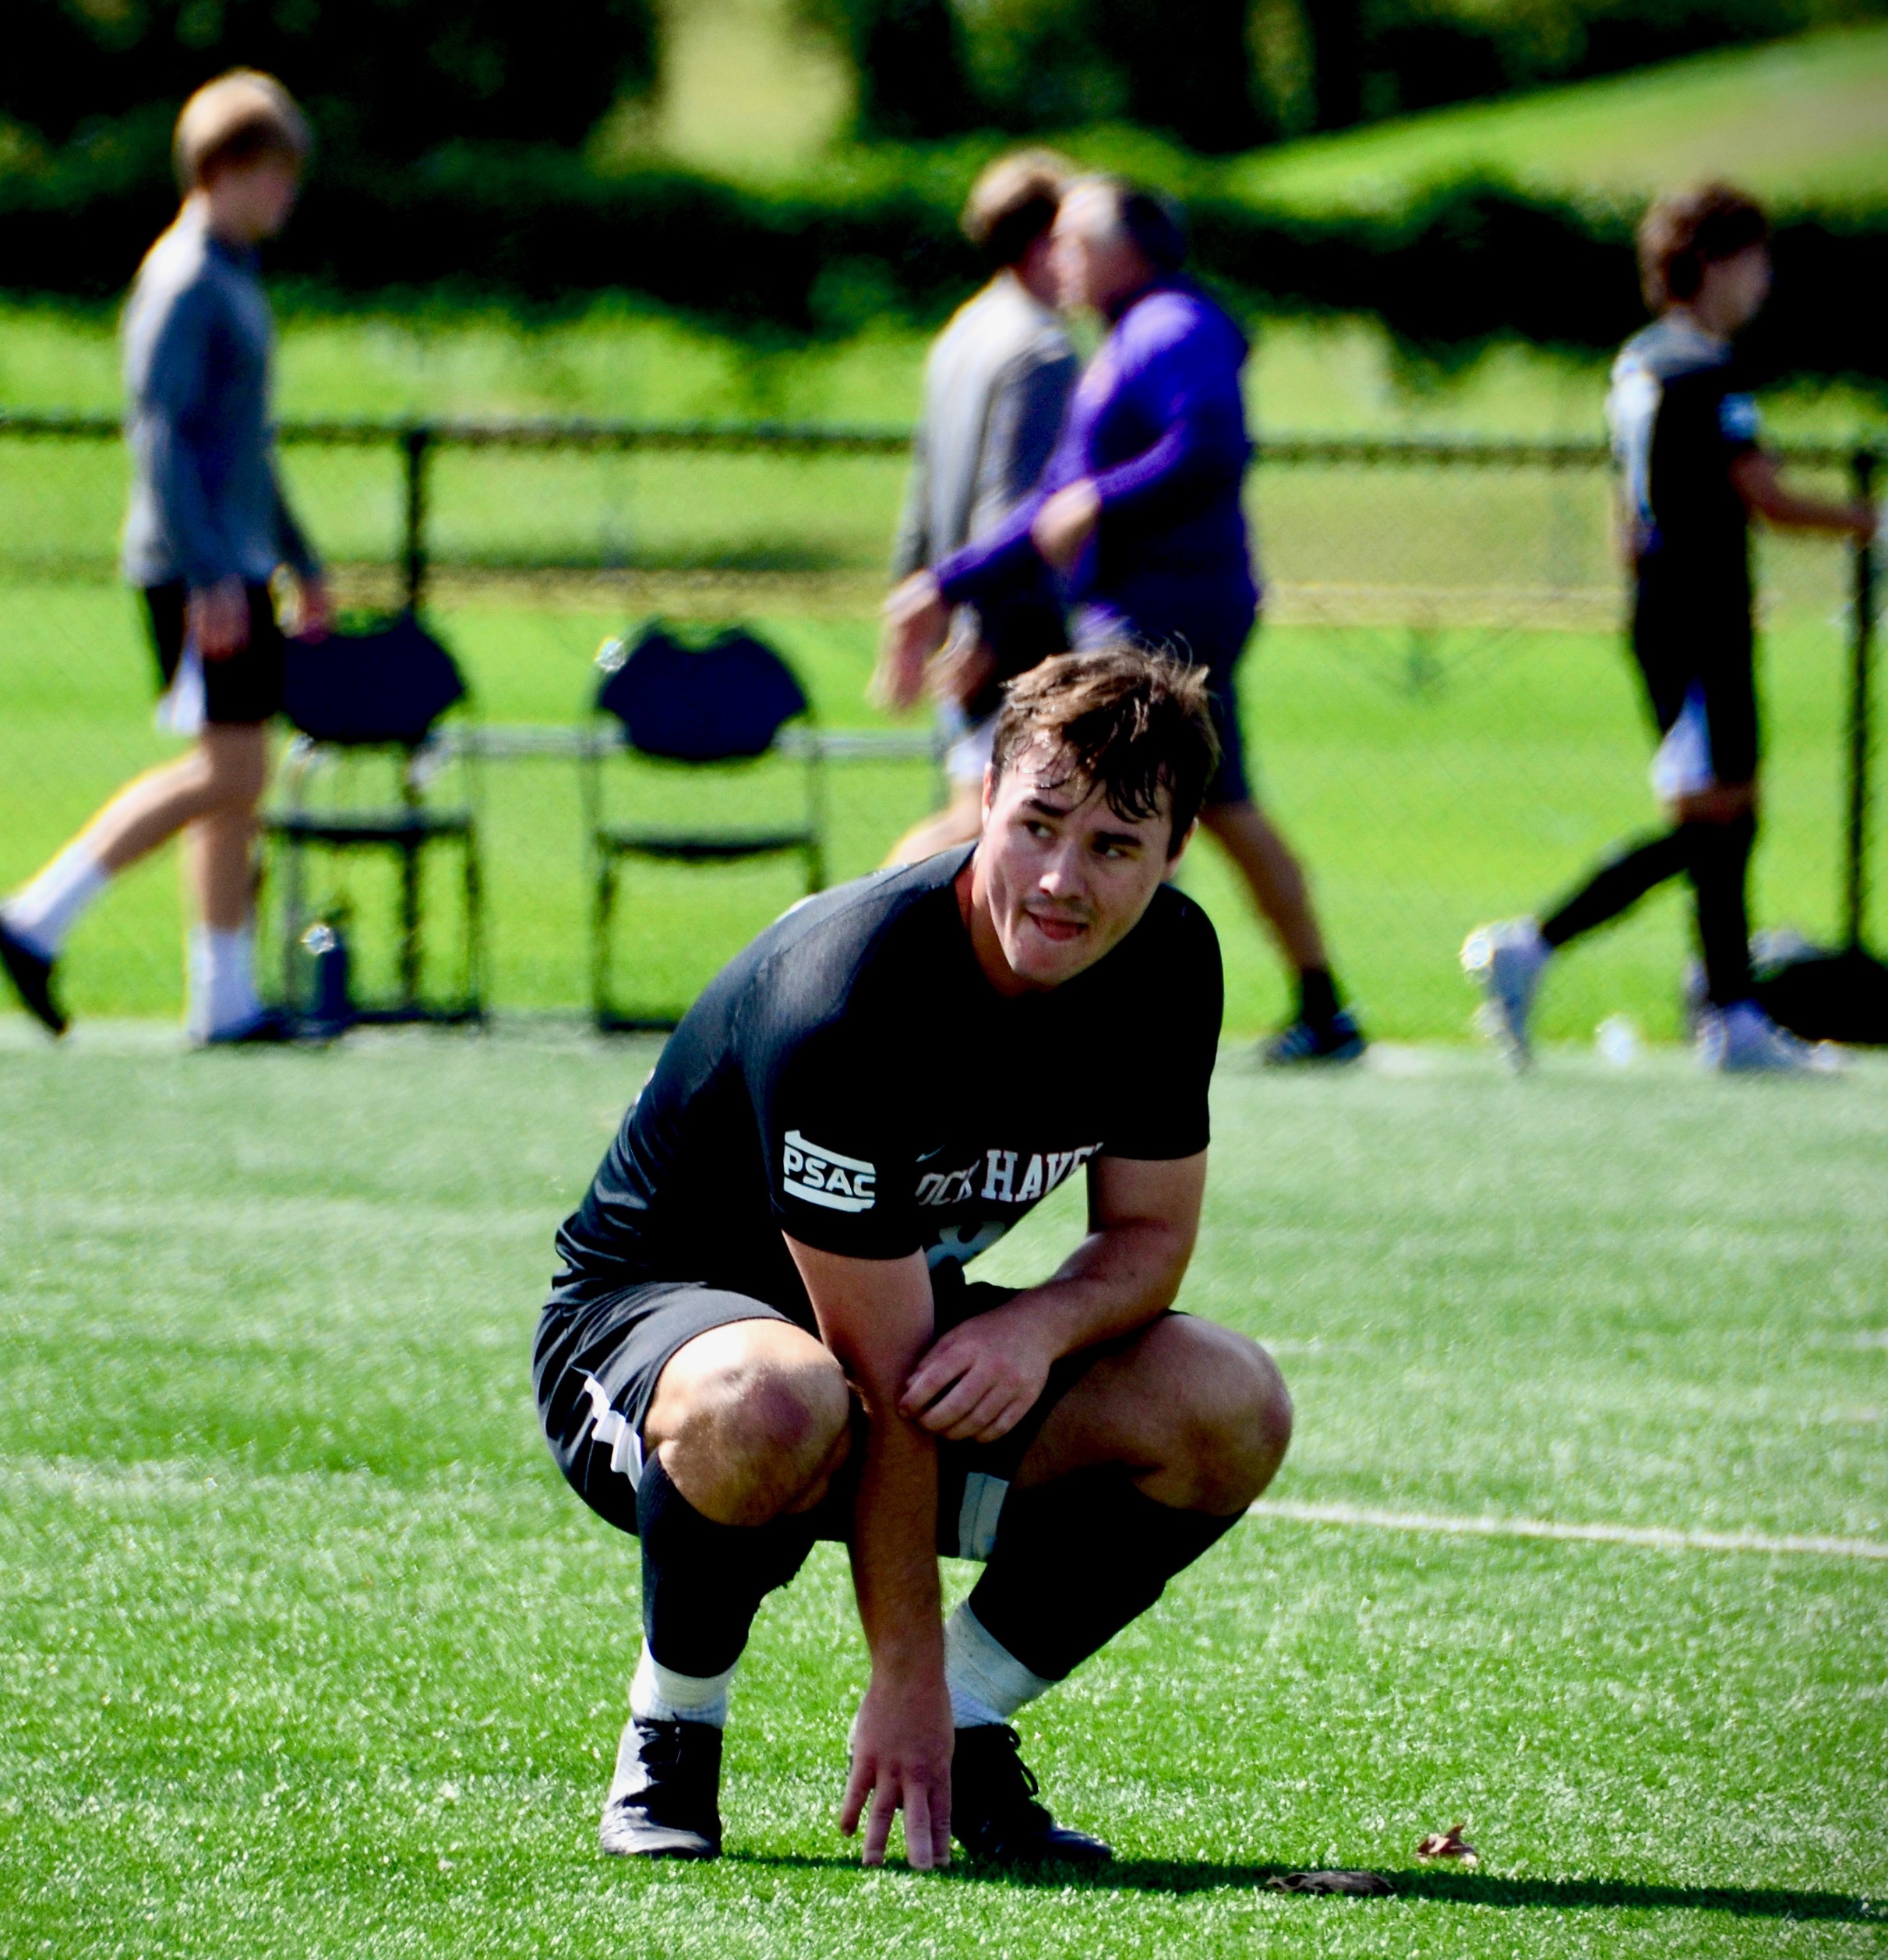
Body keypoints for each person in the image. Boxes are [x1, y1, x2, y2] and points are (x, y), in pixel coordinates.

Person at [535, 647, 1293, 1870]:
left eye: (1113, 845)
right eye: (1038, 822)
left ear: (1178, 847)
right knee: (777, 1397)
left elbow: (1149, 1235)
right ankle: (672, 1725)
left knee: (1227, 1401)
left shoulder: (1167, 963)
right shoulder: (851, 992)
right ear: (983, 792)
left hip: (894, 1334)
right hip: (658, 1348)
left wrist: (1034, 1324)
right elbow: (874, 1373)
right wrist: (901, 1669)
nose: (1062, 879)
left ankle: (976, 1725)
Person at [1460, 182, 1888, 1072]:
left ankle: (1723, 1009)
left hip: (1674, 613)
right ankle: (1546, 947)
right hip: (1695, 620)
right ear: (1708, 261)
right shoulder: (1702, 366)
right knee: (1712, 818)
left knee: (1726, 818)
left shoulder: (1640, 361)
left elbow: (1626, 513)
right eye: (1754, 260)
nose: (1764, 280)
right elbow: (1766, 498)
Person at [882, 176, 1367, 1065]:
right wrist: (943, 585)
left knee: (1072, 806)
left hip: (1163, 616)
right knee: (1212, 806)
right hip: (1144, 611)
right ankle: (1323, 1002)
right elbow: (1046, 512)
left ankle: (879, 952)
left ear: (1125, 250)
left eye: (1073, 240)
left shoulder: (1171, 327)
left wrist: (1100, 501)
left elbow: (1210, 443)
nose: (1056, 258)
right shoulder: (1124, 338)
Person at [0, 72, 333, 1046]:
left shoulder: (233, 273)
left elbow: (247, 446)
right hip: (195, 567)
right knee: (229, 767)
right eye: (270, 176)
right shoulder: (182, 278)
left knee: (235, 772)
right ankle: (36, 916)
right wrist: (213, 570)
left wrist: (299, 556)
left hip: (231, 558)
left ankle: (223, 998)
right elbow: (161, 434)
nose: (283, 197)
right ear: (220, 171)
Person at [870, 150, 1077, 867]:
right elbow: (1011, 501)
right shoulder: (1039, 350)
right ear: (1041, 243)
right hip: (1010, 626)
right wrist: (987, 628)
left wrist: (913, 602)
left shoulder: (961, 333)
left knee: (989, 821)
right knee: (986, 823)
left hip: (960, 616)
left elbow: (922, 495)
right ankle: (847, 935)